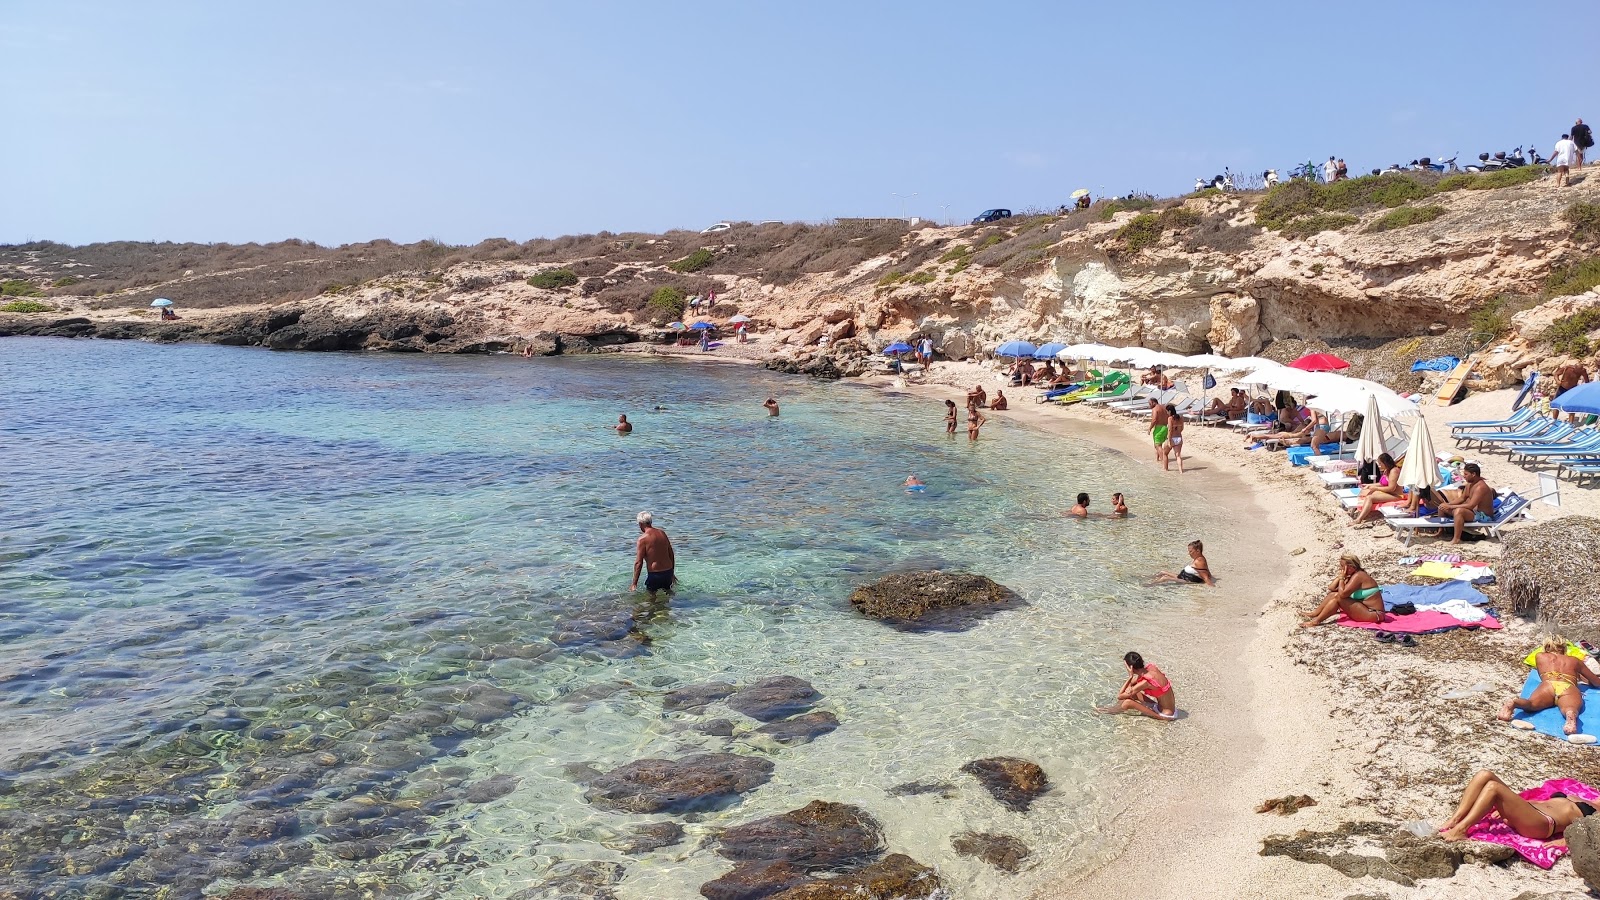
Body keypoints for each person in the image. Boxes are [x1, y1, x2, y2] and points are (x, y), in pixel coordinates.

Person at [1439, 770, 1594, 843]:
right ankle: (1456, 819)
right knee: (1484, 775)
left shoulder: (1596, 812)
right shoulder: (1585, 794)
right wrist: (1514, 807)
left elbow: (1592, 833)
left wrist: (1565, 842)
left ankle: (1461, 830)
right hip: (1530, 812)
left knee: (1493, 787)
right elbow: (1542, 802)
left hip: (1542, 824)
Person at [1499, 637, 1600, 735]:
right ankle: (1570, 716)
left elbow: (1542, 674)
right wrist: (1581, 679)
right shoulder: (1575, 660)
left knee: (1531, 704)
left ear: (1546, 647)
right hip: (1567, 686)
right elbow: (1596, 682)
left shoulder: (1540, 656)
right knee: (1570, 708)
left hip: (1548, 685)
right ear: (1564, 648)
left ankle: (1514, 703)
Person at [1300, 554, 1385, 627]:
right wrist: (1340, 577)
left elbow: (1342, 594)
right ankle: (1314, 613)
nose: (1340, 568)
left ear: (1351, 567)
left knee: (1338, 597)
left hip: (1374, 614)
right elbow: (1332, 588)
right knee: (1332, 594)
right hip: (1366, 610)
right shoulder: (1353, 575)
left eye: (1342, 566)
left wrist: (1341, 578)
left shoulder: (1359, 576)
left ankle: (1316, 621)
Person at [1095, 651, 1176, 722]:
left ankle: (1110, 710)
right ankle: (1116, 707)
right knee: (1132, 694)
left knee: (1127, 702)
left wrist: (1130, 676)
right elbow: (1131, 684)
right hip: (1165, 708)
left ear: (1131, 668)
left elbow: (1120, 696)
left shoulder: (1145, 682)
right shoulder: (1151, 669)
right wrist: (1130, 686)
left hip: (1166, 715)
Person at [1435, 463, 1496, 544]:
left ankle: (1456, 539)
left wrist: (1451, 506)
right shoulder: (1470, 484)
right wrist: (1448, 505)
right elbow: (1462, 498)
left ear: (1473, 474)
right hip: (1474, 512)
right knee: (1442, 507)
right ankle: (1441, 532)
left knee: (1459, 511)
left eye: (1466, 474)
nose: (1464, 476)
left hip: (1483, 516)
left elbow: (1471, 505)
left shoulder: (1481, 487)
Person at [630, 512, 676, 596]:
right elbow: (671, 554)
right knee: (668, 595)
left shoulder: (642, 539)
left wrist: (634, 583)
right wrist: (672, 573)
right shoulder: (662, 533)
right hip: (668, 572)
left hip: (655, 575)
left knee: (651, 600)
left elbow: (638, 563)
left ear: (640, 524)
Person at [1350, 453, 1403, 524]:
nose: (1379, 465)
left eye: (1380, 463)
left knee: (1370, 498)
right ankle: (1357, 510)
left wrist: (1376, 489)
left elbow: (1391, 488)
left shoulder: (1394, 471)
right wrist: (1369, 485)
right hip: (1387, 492)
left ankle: (1359, 519)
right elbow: (1382, 483)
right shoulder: (1386, 470)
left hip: (1395, 495)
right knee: (1363, 491)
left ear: (1385, 463)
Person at [1163, 404, 1186, 473]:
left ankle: (1165, 469)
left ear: (1169, 411)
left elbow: (1170, 430)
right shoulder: (1181, 418)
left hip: (1172, 438)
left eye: (1167, 411)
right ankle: (1181, 471)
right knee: (1178, 455)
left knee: (1165, 453)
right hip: (1179, 438)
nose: (1166, 413)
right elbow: (1182, 428)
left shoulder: (1170, 419)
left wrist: (1169, 440)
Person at [1149, 398, 1171, 466]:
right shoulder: (1164, 407)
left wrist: (1150, 428)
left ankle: (1163, 461)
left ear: (1153, 402)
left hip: (1159, 428)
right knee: (1159, 444)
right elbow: (1169, 416)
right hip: (1165, 427)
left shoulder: (1155, 409)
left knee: (1157, 445)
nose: (1149, 405)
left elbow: (1154, 419)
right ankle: (1157, 459)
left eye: (1150, 404)